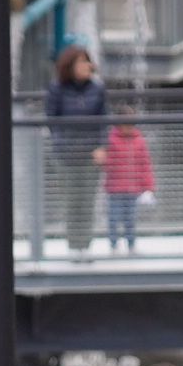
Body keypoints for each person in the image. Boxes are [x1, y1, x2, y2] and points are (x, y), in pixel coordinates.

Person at [44, 46, 107, 254]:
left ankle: (85, 245)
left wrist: (101, 147)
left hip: (90, 155)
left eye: (87, 61)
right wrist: (62, 146)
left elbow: (104, 121)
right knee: (72, 200)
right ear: (70, 66)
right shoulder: (57, 88)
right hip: (66, 155)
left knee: (88, 200)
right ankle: (73, 245)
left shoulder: (97, 89)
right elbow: (52, 121)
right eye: (80, 62)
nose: (86, 66)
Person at [103, 115, 154, 251]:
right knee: (113, 218)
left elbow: (145, 165)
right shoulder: (110, 140)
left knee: (131, 219)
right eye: (126, 125)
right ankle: (113, 245)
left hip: (133, 189)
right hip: (114, 189)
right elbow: (105, 163)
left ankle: (131, 245)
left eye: (132, 125)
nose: (129, 129)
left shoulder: (139, 141)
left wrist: (148, 187)